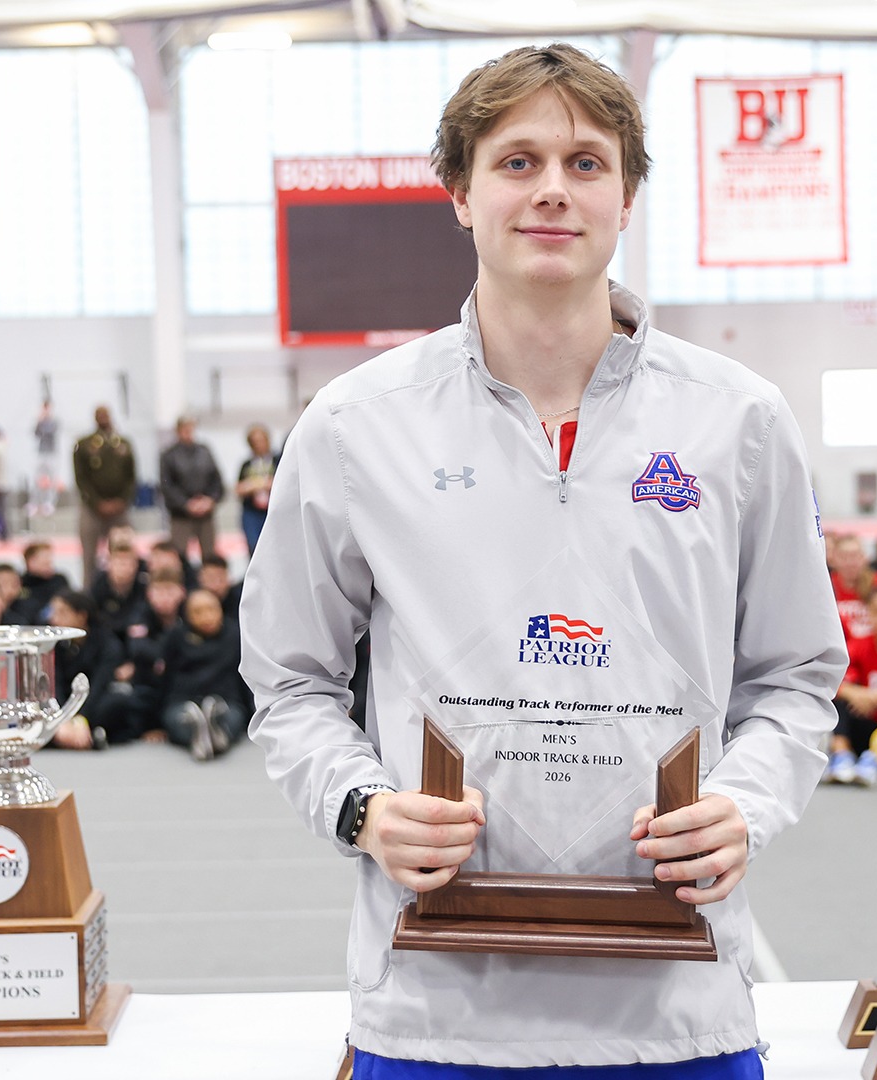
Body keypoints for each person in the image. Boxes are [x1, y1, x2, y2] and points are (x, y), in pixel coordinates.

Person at [240, 43, 844, 1075]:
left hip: (681, 1014)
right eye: (517, 162)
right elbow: (289, 680)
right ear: (461, 196)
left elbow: (796, 678)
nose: (552, 190)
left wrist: (743, 805)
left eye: (586, 162)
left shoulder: (739, 420)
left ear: (628, 195)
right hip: (434, 1013)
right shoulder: (354, 426)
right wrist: (363, 809)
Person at [826, 586, 877, 785]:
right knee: (839, 701)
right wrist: (857, 694)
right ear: (869, 615)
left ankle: (875, 759)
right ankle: (841, 756)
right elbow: (832, 682)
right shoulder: (858, 645)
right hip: (863, 719)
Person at [159, 590, 251, 762]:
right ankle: (199, 732)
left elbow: (246, 677)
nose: (206, 617)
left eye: (211, 609)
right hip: (184, 701)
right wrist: (152, 723)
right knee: (176, 722)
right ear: (187, 615)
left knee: (233, 718)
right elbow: (165, 678)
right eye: (198, 612)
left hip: (225, 701)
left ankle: (214, 732)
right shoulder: (175, 637)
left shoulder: (235, 634)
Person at [47, 590, 142, 750]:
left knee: (119, 700)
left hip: (94, 702)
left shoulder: (108, 645)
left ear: (81, 616)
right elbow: (55, 684)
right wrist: (63, 719)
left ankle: (68, 736)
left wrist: (81, 719)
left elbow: (99, 685)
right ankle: (88, 736)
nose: (54, 618)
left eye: (62, 612)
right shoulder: (54, 644)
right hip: (64, 706)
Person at [73, 406, 136, 590]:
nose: (103, 418)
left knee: (124, 552)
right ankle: (90, 592)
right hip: (92, 507)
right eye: (99, 415)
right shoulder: (84, 444)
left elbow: (131, 477)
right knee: (89, 557)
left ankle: (124, 590)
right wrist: (96, 502)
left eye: (105, 414)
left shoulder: (123, 444)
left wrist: (122, 501)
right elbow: (81, 478)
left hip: (120, 507)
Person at [160, 415, 225, 566]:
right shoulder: (169, 455)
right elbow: (166, 486)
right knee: (179, 555)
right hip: (181, 515)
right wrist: (186, 504)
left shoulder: (204, 451)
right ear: (178, 431)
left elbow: (216, 480)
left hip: (205, 513)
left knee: (209, 556)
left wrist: (210, 500)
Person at [234, 423, 279, 558]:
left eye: (261, 440)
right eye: (254, 442)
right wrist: (254, 485)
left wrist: (262, 484)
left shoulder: (277, 460)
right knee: (254, 546)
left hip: (272, 510)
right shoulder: (247, 464)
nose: (258, 445)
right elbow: (239, 488)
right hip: (252, 512)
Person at [10, 541, 71, 625]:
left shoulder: (59, 581)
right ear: (31, 561)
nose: (49, 561)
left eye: (50, 557)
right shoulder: (20, 583)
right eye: (45, 558)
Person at [31, 400, 61, 518]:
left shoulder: (54, 421)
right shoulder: (39, 421)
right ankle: (36, 502)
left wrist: (45, 421)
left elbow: (50, 433)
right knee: (38, 478)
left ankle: (49, 502)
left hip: (51, 453)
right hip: (41, 452)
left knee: (52, 479)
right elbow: (36, 434)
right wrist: (39, 421)